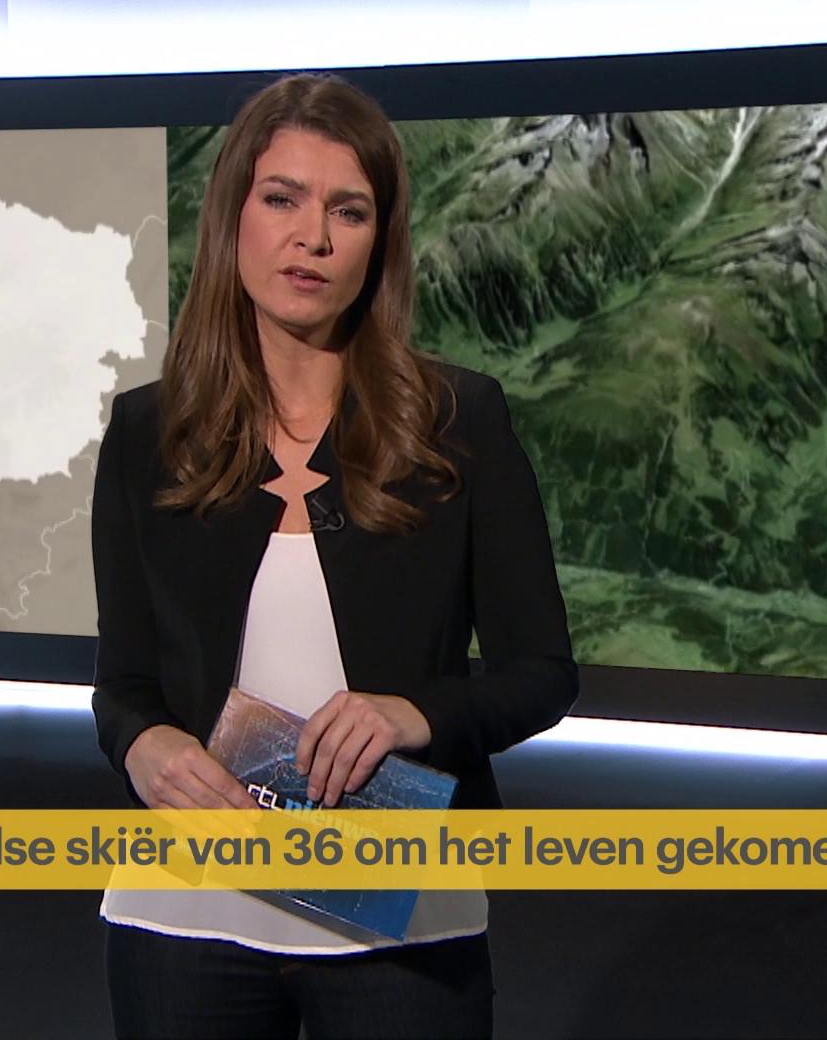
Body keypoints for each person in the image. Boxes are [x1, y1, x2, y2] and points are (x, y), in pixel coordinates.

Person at [89, 71, 580, 1039]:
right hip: (185, 915)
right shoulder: (148, 433)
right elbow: (125, 683)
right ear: (233, 217)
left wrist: (413, 714)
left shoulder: (459, 423)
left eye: (347, 211)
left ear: (378, 243)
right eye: (282, 199)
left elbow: (541, 673)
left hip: (397, 916)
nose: (311, 237)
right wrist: (143, 747)